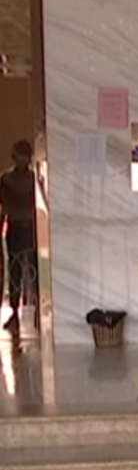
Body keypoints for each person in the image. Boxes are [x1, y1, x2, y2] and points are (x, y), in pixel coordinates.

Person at [0, 140, 39, 331]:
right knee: (15, 270)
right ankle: (15, 311)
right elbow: (3, 206)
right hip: (14, 227)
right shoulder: (6, 180)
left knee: (33, 269)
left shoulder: (34, 179)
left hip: (31, 227)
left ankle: (38, 308)